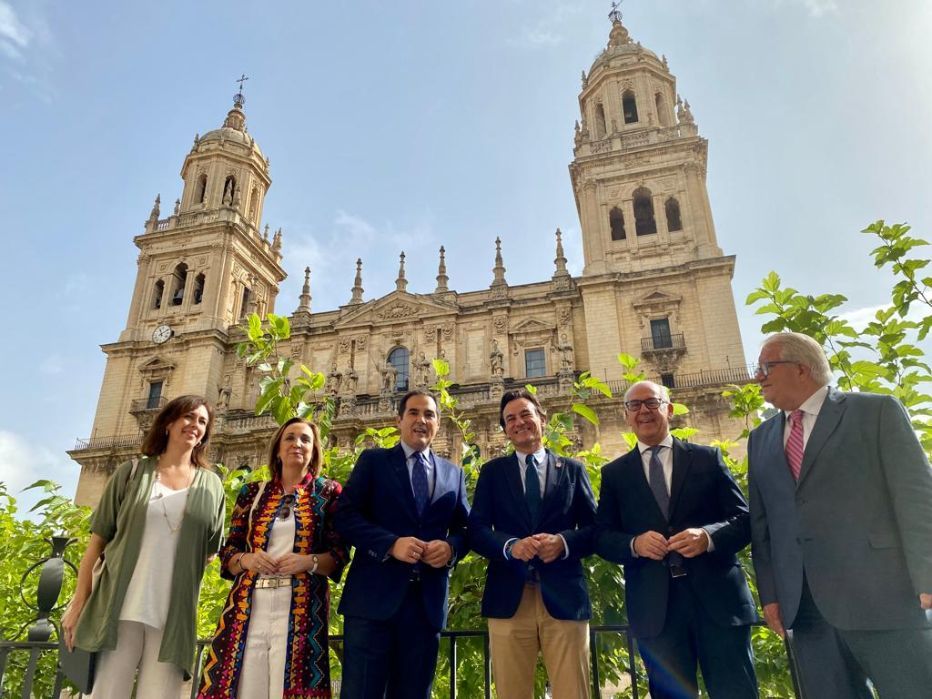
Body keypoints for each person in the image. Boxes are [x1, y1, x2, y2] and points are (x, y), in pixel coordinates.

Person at [748, 331, 932, 698]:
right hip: (805, 608)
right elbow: (763, 523)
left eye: (767, 366)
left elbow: (916, 497)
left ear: (801, 369)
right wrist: (770, 594)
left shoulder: (875, 411)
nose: (757, 377)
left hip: (881, 596)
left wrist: (927, 574)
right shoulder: (761, 438)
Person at [596, 381, 758, 699]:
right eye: (634, 406)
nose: (643, 411)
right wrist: (634, 544)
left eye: (652, 403)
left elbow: (745, 520)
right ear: (626, 416)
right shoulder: (614, 474)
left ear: (669, 409)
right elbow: (602, 537)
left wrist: (708, 536)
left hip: (718, 603)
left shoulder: (707, 458)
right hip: (656, 610)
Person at [61, 395, 226, 699]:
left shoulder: (212, 485)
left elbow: (210, 552)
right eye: (188, 417)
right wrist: (78, 603)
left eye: (202, 421)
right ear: (168, 423)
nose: (195, 425)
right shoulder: (131, 472)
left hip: (173, 617)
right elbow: (96, 543)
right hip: (118, 609)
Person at [198, 417, 347, 698]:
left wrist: (308, 561)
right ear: (277, 449)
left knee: (290, 686)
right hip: (249, 605)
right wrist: (247, 560)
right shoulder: (252, 492)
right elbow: (229, 552)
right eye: (290, 438)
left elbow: (339, 555)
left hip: (303, 608)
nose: (297, 444)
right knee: (244, 686)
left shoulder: (329, 493)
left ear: (314, 451)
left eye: (305, 439)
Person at [335, 389, 470, 699]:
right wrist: (390, 544)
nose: (421, 420)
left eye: (429, 415)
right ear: (398, 420)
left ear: (438, 423)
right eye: (413, 413)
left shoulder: (454, 474)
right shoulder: (373, 461)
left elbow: (466, 528)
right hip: (372, 605)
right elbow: (345, 516)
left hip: (425, 608)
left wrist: (450, 548)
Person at [468, 388, 597, 699]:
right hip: (509, 598)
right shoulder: (492, 472)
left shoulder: (572, 469)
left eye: (525, 414)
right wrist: (510, 546)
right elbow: (477, 530)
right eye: (510, 419)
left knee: (573, 691)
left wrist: (563, 542)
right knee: (511, 692)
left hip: (564, 596)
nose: (518, 422)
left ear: (542, 418)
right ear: (504, 429)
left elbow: (596, 527)